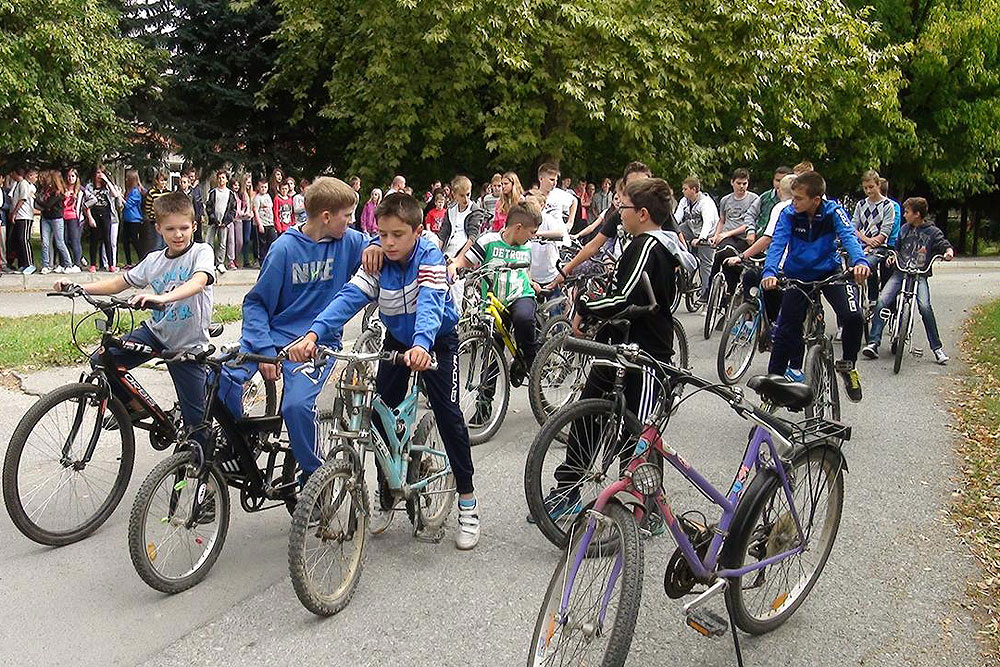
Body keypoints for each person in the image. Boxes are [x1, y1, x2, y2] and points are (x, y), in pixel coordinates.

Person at [287, 192, 480, 549]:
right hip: (396, 339)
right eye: (383, 234)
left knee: (448, 414)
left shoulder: (430, 256)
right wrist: (313, 334)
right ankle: (386, 493)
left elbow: (431, 304)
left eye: (397, 235)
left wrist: (422, 345)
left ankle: (467, 503)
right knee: (378, 415)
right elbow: (349, 297)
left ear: (418, 232)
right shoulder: (377, 258)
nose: (389, 242)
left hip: (434, 339)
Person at [541, 178, 696, 519]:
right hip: (617, 348)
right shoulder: (639, 244)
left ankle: (648, 506)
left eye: (622, 208)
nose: (617, 213)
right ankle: (567, 489)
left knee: (637, 436)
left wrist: (585, 307)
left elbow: (626, 298)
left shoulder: (651, 247)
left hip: (645, 355)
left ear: (642, 213)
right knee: (587, 418)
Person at [218, 177, 367, 485]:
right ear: (326, 216)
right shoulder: (284, 249)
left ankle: (314, 478)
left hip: (316, 342)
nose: (351, 222)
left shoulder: (349, 242)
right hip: (271, 337)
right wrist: (265, 351)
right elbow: (257, 303)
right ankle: (238, 447)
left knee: (296, 406)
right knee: (221, 380)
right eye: (347, 215)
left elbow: (384, 245)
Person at [53, 191, 215, 446]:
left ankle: (207, 468)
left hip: (188, 344)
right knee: (102, 359)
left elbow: (198, 282)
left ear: (194, 226)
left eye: (184, 228)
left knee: (197, 427)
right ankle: (133, 408)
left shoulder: (201, 252)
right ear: (159, 228)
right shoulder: (154, 260)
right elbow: (120, 282)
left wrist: (162, 298)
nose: (178, 234)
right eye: (170, 229)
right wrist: (78, 285)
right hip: (156, 333)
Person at [761, 171, 870, 400]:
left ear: (816, 199)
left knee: (853, 317)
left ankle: (848, 366)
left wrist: (860, 261)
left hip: (829, 272)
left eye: (799, 198)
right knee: (785, 330)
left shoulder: (834, 212)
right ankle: (774, 383)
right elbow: (777, 244)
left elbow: (849, 236)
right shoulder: (789, 214)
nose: (794, 202)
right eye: (793, 197)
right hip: (797, 275)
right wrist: (770, 272)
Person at [452, 200, 540, 398]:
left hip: (520, 296)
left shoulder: (527, 246)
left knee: (524, 318)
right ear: (518, 227)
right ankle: (484, 404)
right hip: (493, 302)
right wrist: (453, 266)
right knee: (493, 351)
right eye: (531, 232)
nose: (532, 236)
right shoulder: (488, 241)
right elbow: (464, 260)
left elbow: (526, 273)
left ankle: (530, 361)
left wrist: (532, 283)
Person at [862, 197, 954, 364]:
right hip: (900, 273)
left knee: (925, 306)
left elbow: (944, 245)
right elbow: (896, 248)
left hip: (919, 275)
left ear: (917, 214)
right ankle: (873, 343)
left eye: (907, 212)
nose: (904, 215)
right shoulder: (904, 229)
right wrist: (893, 256)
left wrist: (948, 252)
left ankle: (937, 349)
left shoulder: (933, 232)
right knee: (882, 301)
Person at [548, 162, 655, 287]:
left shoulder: (658, 213)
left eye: (643, 186)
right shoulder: (619, 214)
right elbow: (594, 245)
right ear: (625, 187)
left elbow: (675, 242)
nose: (638, 191)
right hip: (623, 277)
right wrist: (565, 271)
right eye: (633, 186)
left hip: (648, 284)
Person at [725, 173, 796, 324]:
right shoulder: (809, 207)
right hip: (793, 263)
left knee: (753, 277)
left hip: (781, 264)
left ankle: (756, 318)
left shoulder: (781, 207)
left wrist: (742, 256)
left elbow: (767, 238)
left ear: (780, 191)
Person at [708, 168, 759, 295]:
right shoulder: (725, 200)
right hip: (727, 236)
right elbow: (722, 220)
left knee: (731, 256)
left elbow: (750, 223)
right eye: (739, 183)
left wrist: (728, 233)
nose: (742, 186)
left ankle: (732, 288)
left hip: (743, 237)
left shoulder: (754, 199)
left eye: (744, 183)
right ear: (732, 183)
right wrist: (716, 235)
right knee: (721, 254)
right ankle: (709, 291)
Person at [438, 175, 485, 311]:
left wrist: (459, 259)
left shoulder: (475, 211)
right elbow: (443, 234)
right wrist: (436, 253)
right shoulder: (450, 210)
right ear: (454, 195)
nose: (466, 199)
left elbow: (473, 237)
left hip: (465, 252)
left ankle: (456, 316)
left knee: (455, 285)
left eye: (468, 195)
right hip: (449, 249)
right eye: (462, 196)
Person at [851, 169, 896, 302]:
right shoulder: (861, 204)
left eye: (871, 187)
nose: (868, 191)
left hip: (880, 246)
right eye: (865, 188)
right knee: (851, 266)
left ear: (878, 185)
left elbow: (885, 232)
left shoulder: (888, 205)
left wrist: (870, 243)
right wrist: (866, 240)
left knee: (868, 264)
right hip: (863, 244)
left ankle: (873, 298)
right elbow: (853, 226)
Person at [673, 176, 720, 301]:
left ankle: (706, 292)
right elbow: (677, 218)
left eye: (685, 189)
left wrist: (701, 239)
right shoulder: (684, 201)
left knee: (706, 264)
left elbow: (708, 222)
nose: (683, 191)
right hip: (691, 228)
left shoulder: (706, 203)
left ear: (694, 190)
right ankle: (682, 263)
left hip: (707, 233)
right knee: (674, 233)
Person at [85, 167, 124, 273]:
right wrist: (90, 217)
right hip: (94, 213)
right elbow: (86, 204)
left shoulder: (107, 186)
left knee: (107, 239)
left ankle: (111, 264)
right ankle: (93, 264)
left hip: (106, 213)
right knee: (94, 240)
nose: (99, 175)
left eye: (101, 173)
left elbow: (115, 195)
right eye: (97, 173)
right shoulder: (89, 186)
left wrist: (106, 180)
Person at [37, 170, 73, 274]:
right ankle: (46, 265)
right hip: (45, 218)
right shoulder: (45, 190)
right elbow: (45, 205)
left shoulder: (58, 192)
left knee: (59, 242)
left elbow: (48, 205)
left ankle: (68, 264)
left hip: (56, 219)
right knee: (45, 242)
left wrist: (37, 200)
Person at [206, 170, 236, 274]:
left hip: (224, 222)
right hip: (214, 221)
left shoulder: (230, 194)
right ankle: (210, 262)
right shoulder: (213, 192)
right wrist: (214, 219)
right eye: (219, 178)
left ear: (227, 180)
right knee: (209, 242)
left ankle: (220, 263)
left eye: (223, 178)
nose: (221, 180)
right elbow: (209, 207)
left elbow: (232, 209)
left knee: (222, 243)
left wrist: (226, 221)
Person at [10, 166, 38, 274]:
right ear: (30, 175)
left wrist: (14, 213)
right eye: (36, 176)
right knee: (19, 240)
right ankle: (23, 263)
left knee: (24, 239)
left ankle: (30, 263)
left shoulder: (25, 185)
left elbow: (22, 199)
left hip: (25, 216)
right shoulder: (23, 184)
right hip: (21, 216)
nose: (36, 178)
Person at [537, 163, 578, 234]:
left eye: (556, 180)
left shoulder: (558, 193)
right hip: (539, 236)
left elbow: (574, 201)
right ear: (541, 179)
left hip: (558, 237)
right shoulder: (533, 196)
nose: (554, 183)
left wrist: (570, 222)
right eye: (552, 180)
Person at [62, 168, 86, 269]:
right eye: (69, 176)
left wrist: (83, 207)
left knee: (74, 240)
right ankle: (67, 262)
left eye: (73, 176)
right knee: (65, 240)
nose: (70, 178)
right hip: (63, 216)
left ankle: (77, 264)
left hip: (74, 217)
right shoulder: (63, 188)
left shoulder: (80, 190)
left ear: (76, 178)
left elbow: (93, 199)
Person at [121, 169, 145, 269]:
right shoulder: (129, 191)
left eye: (128, 178)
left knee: (135, 240)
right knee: (125, 241)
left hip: (134, 220)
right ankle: (129, 262)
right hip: (127, 219)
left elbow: (128, 205)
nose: (126, 179)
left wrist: (119, 196)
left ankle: (142, 260)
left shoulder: (136, 192)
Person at [145, 168, 172, 255]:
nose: (163, 183)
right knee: (157, 244)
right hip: (155, 221)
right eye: (161, 181)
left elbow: (170, 206)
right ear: (157, 181)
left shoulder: (168, 193)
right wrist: (152, 217)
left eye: (165, 181)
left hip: (166, 221)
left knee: (165, 243)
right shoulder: (152, 192)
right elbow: (148, 207)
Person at [252, 178, 276, 261]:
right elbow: (255, 211)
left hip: (270, 223)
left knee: (273, 241)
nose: (263, 189)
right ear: (258, 188)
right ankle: (262, 261)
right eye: (261, 187)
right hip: (262, 223)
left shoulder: (268, 196)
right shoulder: (257, 198)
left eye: (265, 187)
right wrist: (260, 225)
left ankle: (270, 259)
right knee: (262, 244)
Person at [231, 173, 252, 269]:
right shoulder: (238, 194)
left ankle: (240, 259)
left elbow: (249, 205)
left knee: (243, 240)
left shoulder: (250, 193)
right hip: (237, 218)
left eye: (250, 182)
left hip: (246, 218)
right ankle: (233, 259)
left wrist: (248, 212)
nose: (249, 184)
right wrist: (243, 212)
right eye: (247, 182)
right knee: (235, 240)